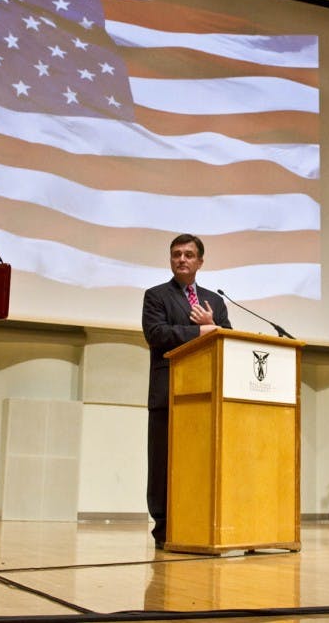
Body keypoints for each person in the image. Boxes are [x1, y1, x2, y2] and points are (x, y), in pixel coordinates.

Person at [141, 234, 231, 549]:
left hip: (206, 397)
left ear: (200, 262)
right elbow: (157, 335)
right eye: (177, 254)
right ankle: (164, 528)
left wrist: (214, 326)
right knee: (163, 465)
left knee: (199, 463)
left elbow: (227, 341)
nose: (182, 259)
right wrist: (201, 331)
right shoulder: (156, 296)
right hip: (168, 395)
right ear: (170, 259)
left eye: (189, 255)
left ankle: (198, 523)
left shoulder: (214, 302)